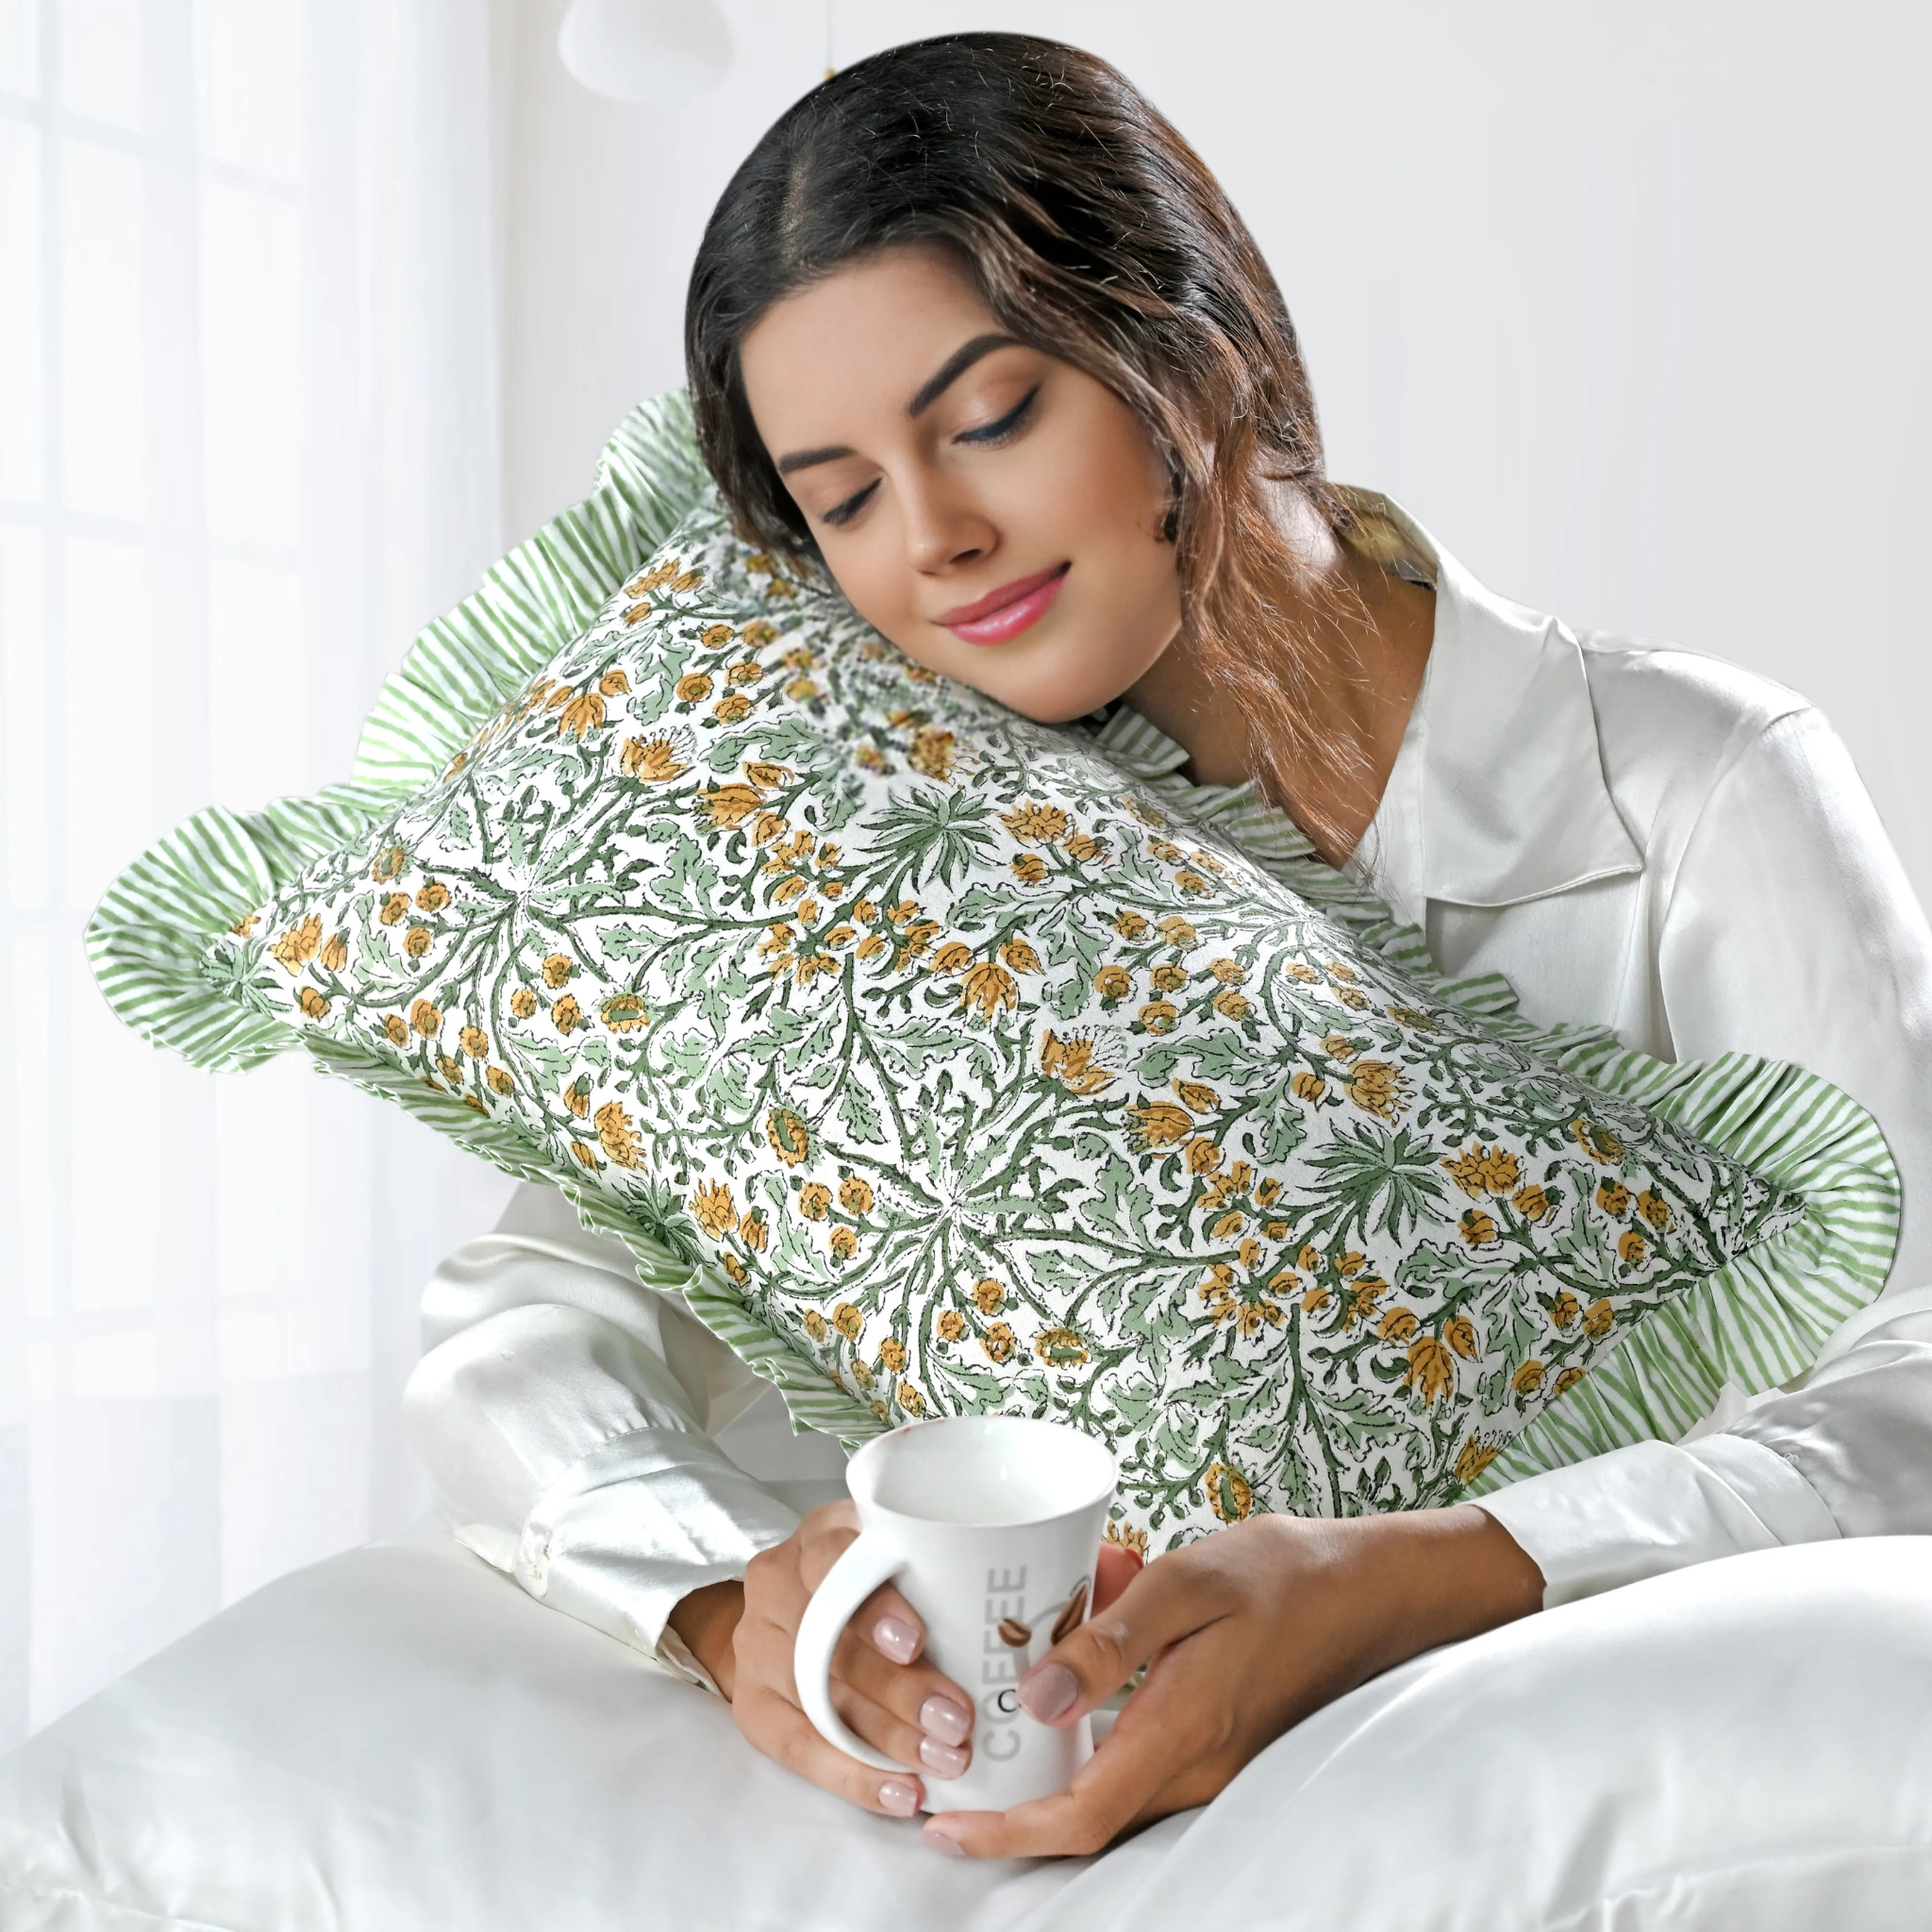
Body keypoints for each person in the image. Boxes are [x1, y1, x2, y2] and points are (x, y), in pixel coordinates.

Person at [404, 32, 1932, 1863]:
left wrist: (1409, 1574)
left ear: (1191, 354)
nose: (939, 541)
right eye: (843, 497)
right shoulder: (900, 845)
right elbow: (514, 1326)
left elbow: (1907, 1402)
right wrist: (735, 1609)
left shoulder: (1693, 785)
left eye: (987, 418)